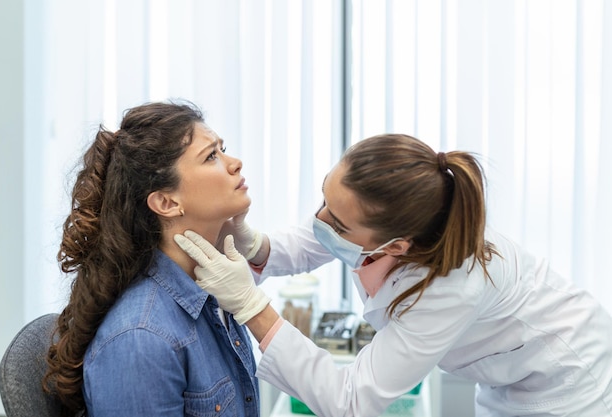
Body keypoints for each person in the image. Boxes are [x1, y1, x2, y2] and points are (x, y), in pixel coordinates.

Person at [175, 133, 612, 417]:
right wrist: (256, 245)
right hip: (504, 377)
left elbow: (352, 402)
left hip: (564, 384)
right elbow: (316, 240)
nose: (320, 220)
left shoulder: (452, 286)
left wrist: (253, 309)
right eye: (324, 195)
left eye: (338, 223)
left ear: (398, 246)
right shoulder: (386, 215)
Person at [43, 101, 264, 417]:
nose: (235, 163)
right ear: (166, 201)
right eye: (211, 156)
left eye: (223, 149)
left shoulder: (215, 291)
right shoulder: (141, 339)